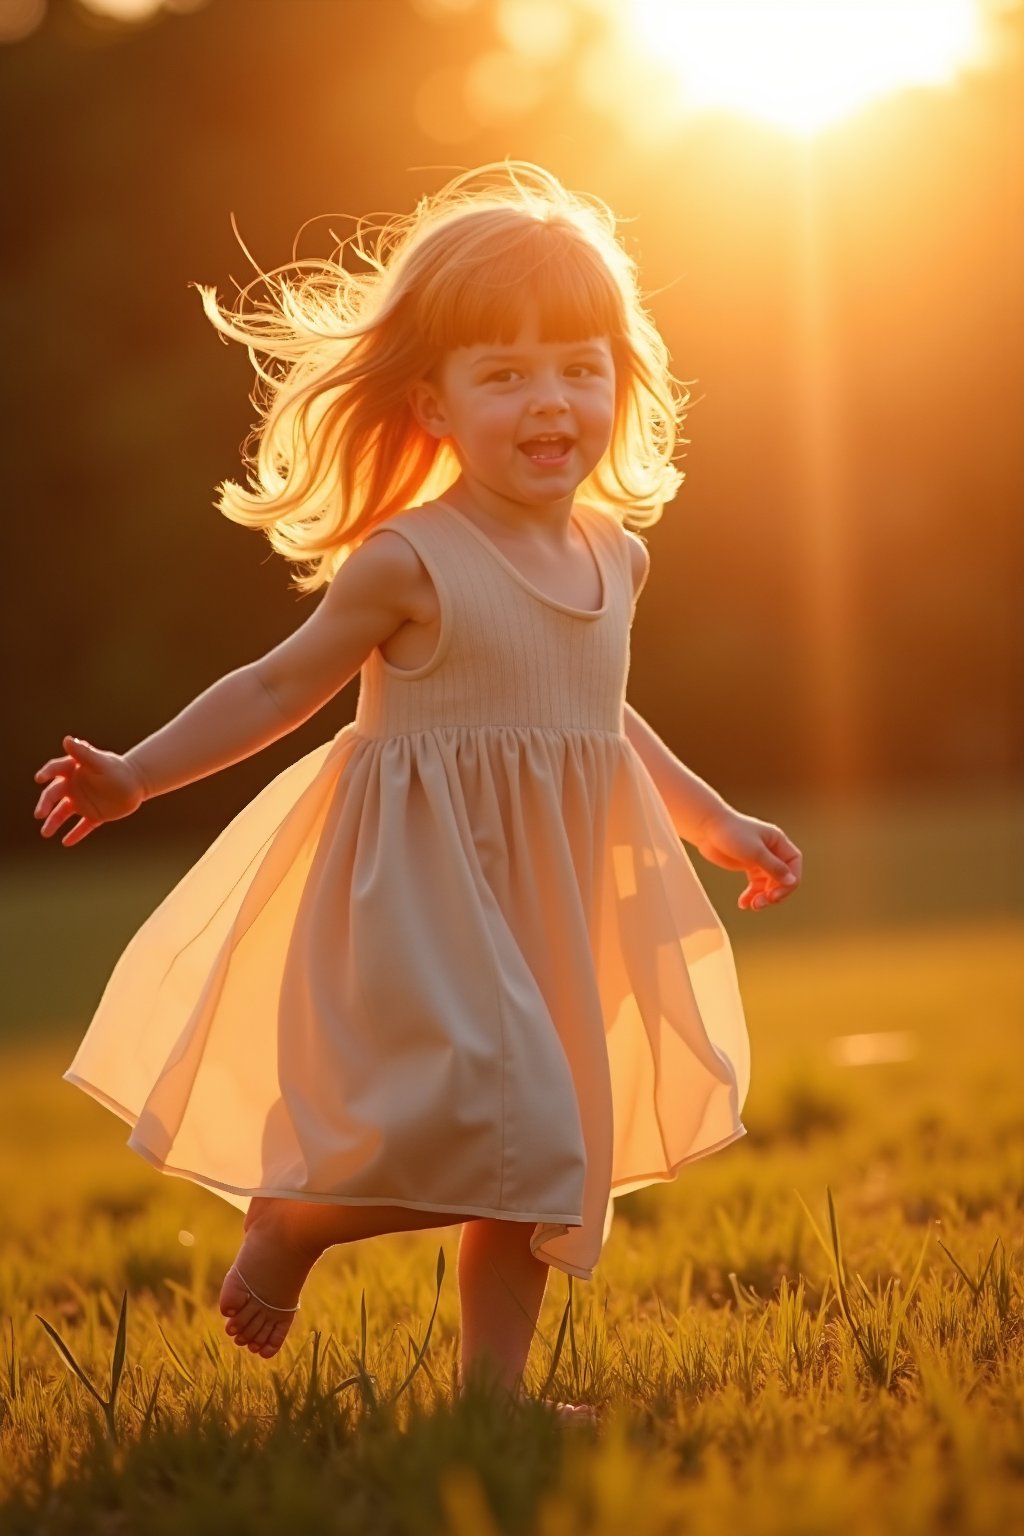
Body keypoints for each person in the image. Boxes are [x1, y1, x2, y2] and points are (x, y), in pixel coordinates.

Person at [32, 162, 801, 1421]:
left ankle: (490, 1400)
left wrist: (711, 819)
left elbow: (597, 713)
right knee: (527, 1139)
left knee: (553, 1161)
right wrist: (136, 773)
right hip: (429, 891)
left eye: (579, 364)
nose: (549, 399)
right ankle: (297, 1222)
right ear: (433, 404)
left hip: (550, 893)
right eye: (502, 375)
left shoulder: (618, 554)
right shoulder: (409, 562)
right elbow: (278, 688)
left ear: (624, 376)